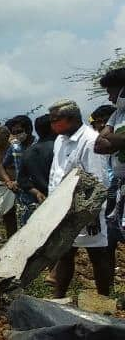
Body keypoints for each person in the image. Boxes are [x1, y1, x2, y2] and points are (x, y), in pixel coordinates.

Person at [48, 100, 113, 297]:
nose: (52, 125)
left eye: (55, 120)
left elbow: (97, 180)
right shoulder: (60, 140)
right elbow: (56, 173)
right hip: (61, 207)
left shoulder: (90, 140)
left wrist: (91, 214)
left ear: (71, 119)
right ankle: (58, 298)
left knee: (97, 254)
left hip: (85, 208)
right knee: (65, 253)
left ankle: (103, 299)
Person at [94, 66, 125, 248]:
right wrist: (120, 140)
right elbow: (98, 143)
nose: (109, 97)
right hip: (119, 184)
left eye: (111, 92)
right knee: (113, 233)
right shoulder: (117, 114)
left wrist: (112, 139)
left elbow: (106, 138)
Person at [17, 114, 55, 211]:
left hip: (39, 201)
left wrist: (37, 193)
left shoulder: (27, 152)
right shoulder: (58, 148)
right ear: (53, 127)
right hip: (60, 198)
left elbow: (22, 181)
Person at [7, 115, 38, 224]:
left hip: (38, 191)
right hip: (21, 195)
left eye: (19, 131)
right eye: (13, 132)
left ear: (28, 129)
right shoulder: (14, 147)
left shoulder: (38, 145)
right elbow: (2, 165)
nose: (16, 135)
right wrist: (9, 181)